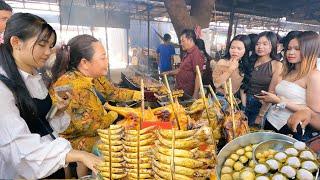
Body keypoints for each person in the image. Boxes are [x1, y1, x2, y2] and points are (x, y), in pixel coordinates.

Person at [0, 13, 101, 179]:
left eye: (50, 45)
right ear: (16, 42)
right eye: (42, 44)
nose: (48, 52)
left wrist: (57, 111)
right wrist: (81, 155)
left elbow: (39, 120)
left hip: (49, 166)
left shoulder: (33, 76)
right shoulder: (3, 87)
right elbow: (19, 148)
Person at [50, 34, 141, 153]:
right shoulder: (72, 86)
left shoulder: (92, 75)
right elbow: (90, 128)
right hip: (74, 139)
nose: (107, 61)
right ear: (85, 63)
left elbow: (112, 92)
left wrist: (139, 95)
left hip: (92, 128)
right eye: (103, 58)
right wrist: (115, 115)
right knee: (121, 142)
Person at [257, 31, 320, 140]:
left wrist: (279, 101)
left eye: (297, 49)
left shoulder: (313, 75)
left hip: (290, 127)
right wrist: (270, 98)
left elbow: (313, 115)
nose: (290, 52)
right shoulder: (290, 70)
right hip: (271, 120)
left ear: (309, 50)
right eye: (289, 48)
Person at [243, 31, 283, 126]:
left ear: (272, 45)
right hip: (243, 103)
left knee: (252, 137)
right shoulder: (251, 61)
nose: (260, 47)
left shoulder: (277, 65)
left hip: (259, 107)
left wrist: (260, 115)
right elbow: (243, 85)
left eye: (265, 44)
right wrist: (242, 107)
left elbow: (271, 93)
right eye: (258, 44)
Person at [211, 35, 251, 110]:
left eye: (239, 49)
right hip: (219, 100)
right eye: (232, 48)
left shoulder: (244, 65)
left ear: (245, 50)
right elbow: (216, 83)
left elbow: (243, 88)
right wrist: (230, 69)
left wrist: (243, 107)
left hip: (233, 102)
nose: (235, 51)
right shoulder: (222, 62)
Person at [163, 29, 205, 99]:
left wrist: (195, 93)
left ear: (190, 40)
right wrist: (168, 73)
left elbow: (199, 74)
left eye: (183, 41)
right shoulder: (188, 53)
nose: (181, 43)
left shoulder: (196, 54)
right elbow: (181, 70)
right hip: (180, 91)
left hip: (188, 94)